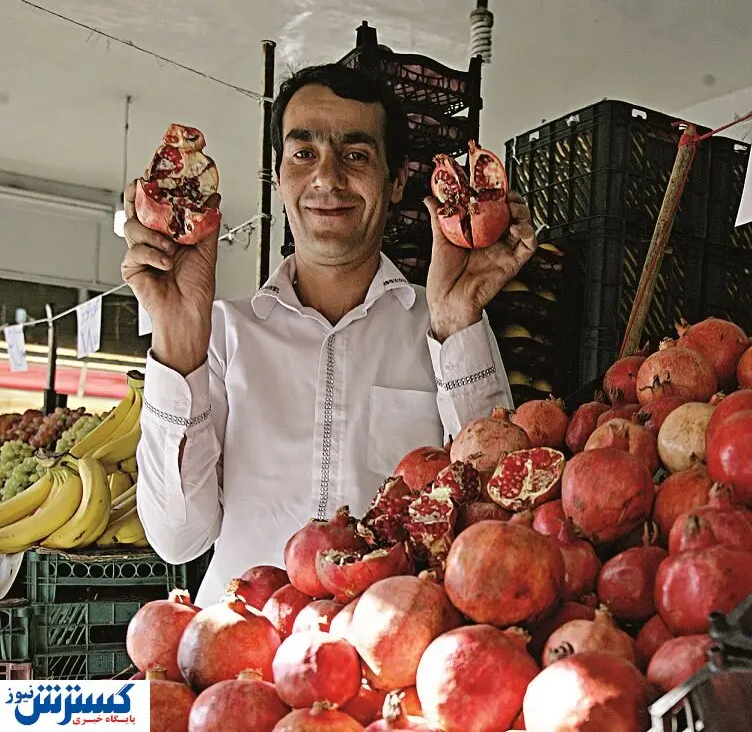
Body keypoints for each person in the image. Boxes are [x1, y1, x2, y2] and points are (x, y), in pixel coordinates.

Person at [121, 64, 536, 605]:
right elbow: (178, 539)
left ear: (397, 182)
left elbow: (498, 514)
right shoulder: (220, 336)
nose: (327, 177)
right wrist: (177, 338)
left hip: (387, 656)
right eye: (304, 153)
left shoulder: (439, 329)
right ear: (277, 177)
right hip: (241, 655)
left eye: (357, 155)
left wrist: (458, 320)